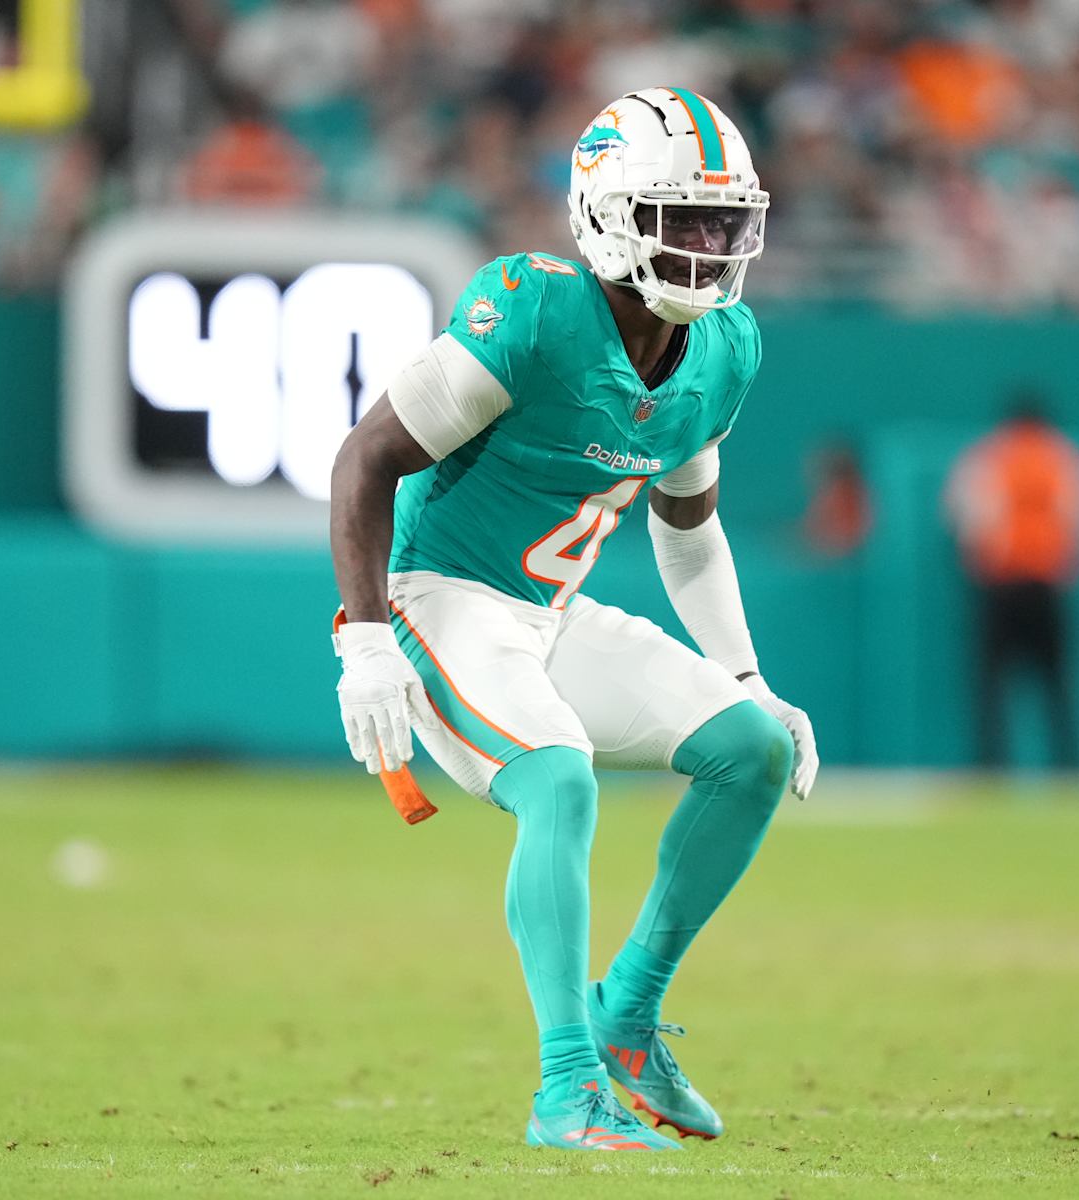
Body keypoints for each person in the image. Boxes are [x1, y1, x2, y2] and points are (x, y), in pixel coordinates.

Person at [328, 88, 817, 1153]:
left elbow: (689, 532)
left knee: (751, 749)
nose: (709, 247)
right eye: (684, 220)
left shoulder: (724, 349)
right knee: (557, 778)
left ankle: (628, 1014)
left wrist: (747, 677)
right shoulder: (534, 314)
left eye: (724, 223)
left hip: (548, 614)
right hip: (441, 599)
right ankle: (565, 1087)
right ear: (608, 215)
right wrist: (365, 641)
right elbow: (365, 459)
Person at [944, 395, 1079, 771]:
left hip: (1001, 585)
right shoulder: (1063, 458)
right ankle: (1069, 767)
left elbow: (965, 517)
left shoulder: (989, 456)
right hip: (1047, 585)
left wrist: (981, 557)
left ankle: (992, 765)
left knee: (991, 684)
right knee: (1057, 684)